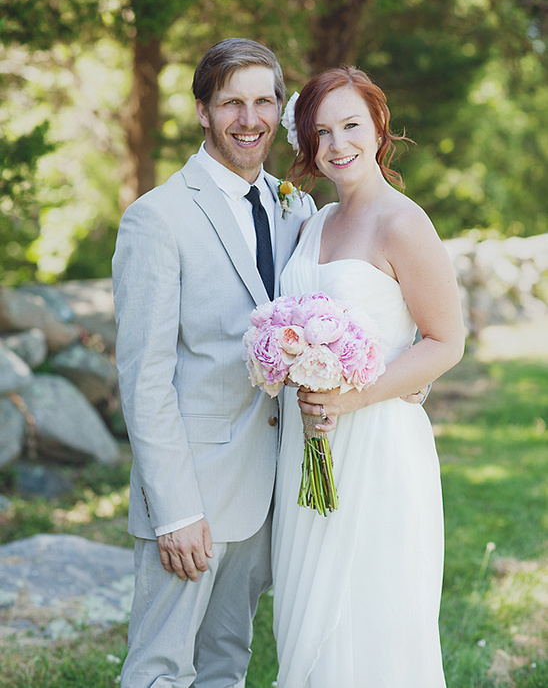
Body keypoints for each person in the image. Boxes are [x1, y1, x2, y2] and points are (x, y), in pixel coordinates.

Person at [112, 38, 315, 688]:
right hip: (191, 492)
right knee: (160, 668)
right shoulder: (156, 219)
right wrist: (173, 509)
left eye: (263, 101)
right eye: (231, 102)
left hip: (267, 490)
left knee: (226, 663)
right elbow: (144, 377)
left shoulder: (293, 206)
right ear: (203, 110)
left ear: (280, 110)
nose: (248, 118)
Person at [271, 67, 465, 688]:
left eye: (351, 125)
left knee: (373, 621)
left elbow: (446, 341)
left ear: (379, 128)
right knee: (306, 622)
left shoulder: (404, 224)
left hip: (378, 447)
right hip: (306, 450)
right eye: (321, 132)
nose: (337, 144)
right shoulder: (313, 223)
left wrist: (349, 398)